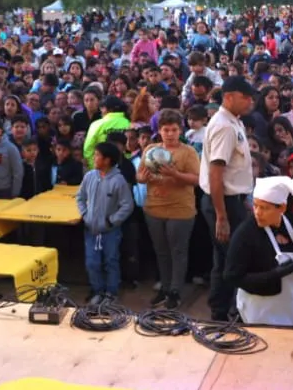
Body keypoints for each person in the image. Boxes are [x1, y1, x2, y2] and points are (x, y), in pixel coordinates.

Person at [223, 176, 293, 327]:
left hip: (288, 303)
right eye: (255, 206)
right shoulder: (246, 233)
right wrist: (275, 274)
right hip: (256, 306)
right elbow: (232, 276)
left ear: (281, 207)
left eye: (265, 208)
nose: (257, 213)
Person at [199, 76, 255, 321]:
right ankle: (220, 312)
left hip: (233, 200)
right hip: (222, 203)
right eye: (245, 97)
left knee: (228, 257)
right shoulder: (223, 125)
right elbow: (216, 172)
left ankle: (227, 306)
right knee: (227, 259)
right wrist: (221, 215)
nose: (250, 102)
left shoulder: (233, 121)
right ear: (229, 96)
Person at [137, 109, 200, 311]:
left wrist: (175, 174)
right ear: (160, 131)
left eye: (174, 130)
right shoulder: (150, 150)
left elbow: (197, 179)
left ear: (180, 130)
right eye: (166, 130)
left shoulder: (188, 152)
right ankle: (164, 288)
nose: (170, 134)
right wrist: (143, 178)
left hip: (180, 210)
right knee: (161, 251)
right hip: (154, 208)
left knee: (178, 251)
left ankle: (175, 291)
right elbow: (139, 176)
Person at [77, 141, 134, 304]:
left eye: (97, 156)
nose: (93, 158)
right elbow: (80, 198)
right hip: (91, 229)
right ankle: (97, 290)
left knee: (111, 261)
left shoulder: (118, 181)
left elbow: (127, 205)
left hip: (110, 231)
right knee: (92, 262)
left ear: (107, 160)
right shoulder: (89, 176)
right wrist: (85, 215)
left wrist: (111, 221)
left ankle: (111, 292)